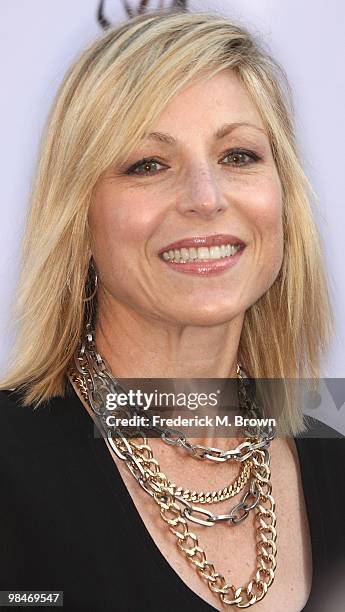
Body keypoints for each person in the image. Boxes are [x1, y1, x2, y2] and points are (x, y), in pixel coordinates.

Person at [0, 9, 344, 612]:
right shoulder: (11, 461)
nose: (206, 199)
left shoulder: (328, 422)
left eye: (238, 155)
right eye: (148, 165)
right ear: (79, 219)